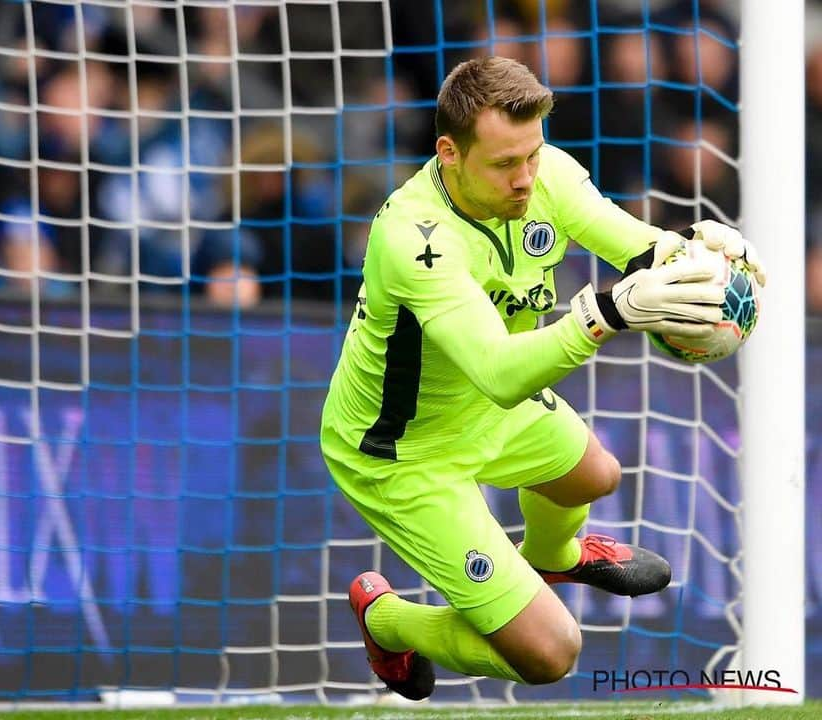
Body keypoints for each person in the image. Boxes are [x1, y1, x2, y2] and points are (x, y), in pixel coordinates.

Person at [319, 56, 766, 700]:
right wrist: (606, 311)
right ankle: (388, 621)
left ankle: (554, 559)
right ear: (449, 152)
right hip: (400, 452)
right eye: (504, 164)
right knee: (550, 654)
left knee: (594, 475)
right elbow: (502, 373)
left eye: (532, 155)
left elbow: (641, 248)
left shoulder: (547, 173)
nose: (526, 179)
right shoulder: (414, 238)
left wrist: (700, 248)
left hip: (480, 405)